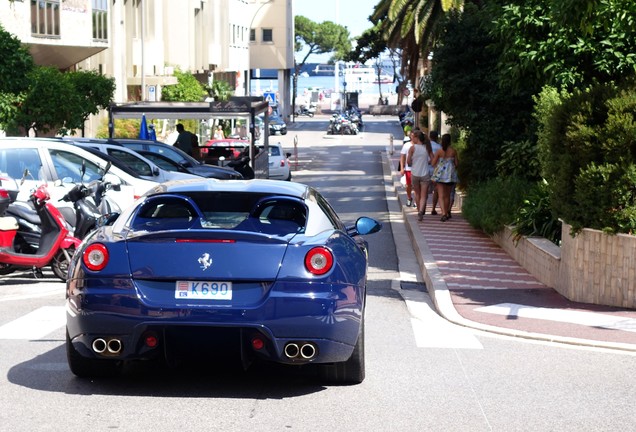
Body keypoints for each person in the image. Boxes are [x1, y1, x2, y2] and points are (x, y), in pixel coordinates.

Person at [431, 133, 459, 222]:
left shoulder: (439, 151)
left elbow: (433, 163)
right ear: (450, 141)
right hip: (450, 176)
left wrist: (438, 166)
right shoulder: (453, 151)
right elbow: (457, 164)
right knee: (447, 195)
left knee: (441, 196)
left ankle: (443, 213)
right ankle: (446, 213)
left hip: (440, 175)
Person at [407, 129, 433, 221]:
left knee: (417, 194)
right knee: (423, 195)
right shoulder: (427, 147)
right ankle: (421, 210)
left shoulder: (412, 148)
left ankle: (419, 211)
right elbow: (433, 161)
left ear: (417, 138)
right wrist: (427, 162)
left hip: (415, 173)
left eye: (412, 137)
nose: (412, 139)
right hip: (425, 173)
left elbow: (408, 162)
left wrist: (412, 163)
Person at [428, 130, 442, 215]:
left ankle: (421, 208)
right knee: (436, 190)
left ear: (429, 136)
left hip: (425, 169)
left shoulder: (425, 146)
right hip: (436, 170)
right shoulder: (439, 147)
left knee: (424, 190)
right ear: (437, 137)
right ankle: (433, 208)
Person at [400, 134, 415, 207]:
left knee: (416, 186)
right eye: (412, 136)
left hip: (418, 169)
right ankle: (409, 198)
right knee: (409, 185)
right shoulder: (406, 145)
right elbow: (402, 157)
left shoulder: (421, 145)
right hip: (408, 169)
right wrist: (402, 168)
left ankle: (416, 201)